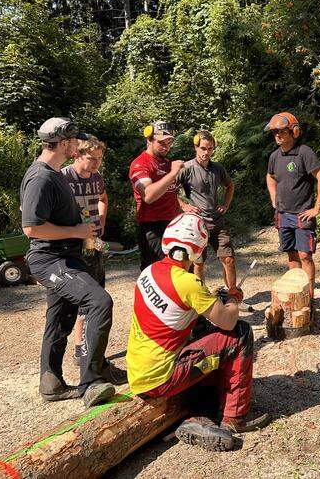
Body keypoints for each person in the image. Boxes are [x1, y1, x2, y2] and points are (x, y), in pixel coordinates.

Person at [126, 213, 270, 451]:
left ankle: (198, 414)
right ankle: (234, 418)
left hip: (140, 370)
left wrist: (213, 299)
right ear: (198, 250)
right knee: (241, 333)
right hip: (161, 376)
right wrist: (233, 298)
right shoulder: (188, 283)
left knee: (205, 333)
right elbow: (227, 321)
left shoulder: (149, 272)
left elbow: (181, 308)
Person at [20, 117, 127, 409]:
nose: (75, 146)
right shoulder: (41, 176)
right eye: (73, 141)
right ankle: (91, 381)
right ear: (65, 143)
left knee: (60, 319)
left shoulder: (52, 174)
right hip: (50, 259)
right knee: (99, 301)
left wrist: (86, 234)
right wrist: (77, 231)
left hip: (68, 255)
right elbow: (30, 228)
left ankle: (50, 382)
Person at [265, 112, 320, 303]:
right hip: (282, 214)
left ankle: (308, 298)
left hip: (302, 214)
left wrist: (317, 208)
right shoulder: (274, 156)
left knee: (305, 255)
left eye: (281, 131)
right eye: (274, 132)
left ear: (294, 131)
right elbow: (270, 176)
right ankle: (296, 295)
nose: (277, 135)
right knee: (292, 254)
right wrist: (274, 198)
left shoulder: (304, 152)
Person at [61, 136, 108, 366]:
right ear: (77, 155)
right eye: (92, 158)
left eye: (100, 159)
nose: (97, 163)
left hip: (93, 242)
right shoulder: (63, 177)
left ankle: (90, 344)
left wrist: (101, 224)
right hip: (71, 245)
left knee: (99, 288)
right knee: (85, 295)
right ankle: (80, 346)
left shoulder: (97, 177)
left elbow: (103, 199)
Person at [178, 130, 237, 290]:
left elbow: (230, 185)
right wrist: (183, 206)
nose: (206, 152)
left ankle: (232, 295)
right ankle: (201, 299)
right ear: (196, 147)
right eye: (203, 148)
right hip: (197, 224)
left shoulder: (217, 168)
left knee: (229, 259)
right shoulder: (186, 168)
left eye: (210, 149)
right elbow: (170, 190)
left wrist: (225, 204)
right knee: (198, 264)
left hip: (217, 222)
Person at [129, 121, 184, 270]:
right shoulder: (140, 164)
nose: (166, 146)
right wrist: (173, 173)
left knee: (179, 271)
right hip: (152, 229)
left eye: (169, 142)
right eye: (161, 142)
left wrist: (183, 207)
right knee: (156, 273)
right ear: (149, 140)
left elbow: (170, 193)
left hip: (172, 225)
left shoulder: (167, 163)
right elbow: (148, 195)